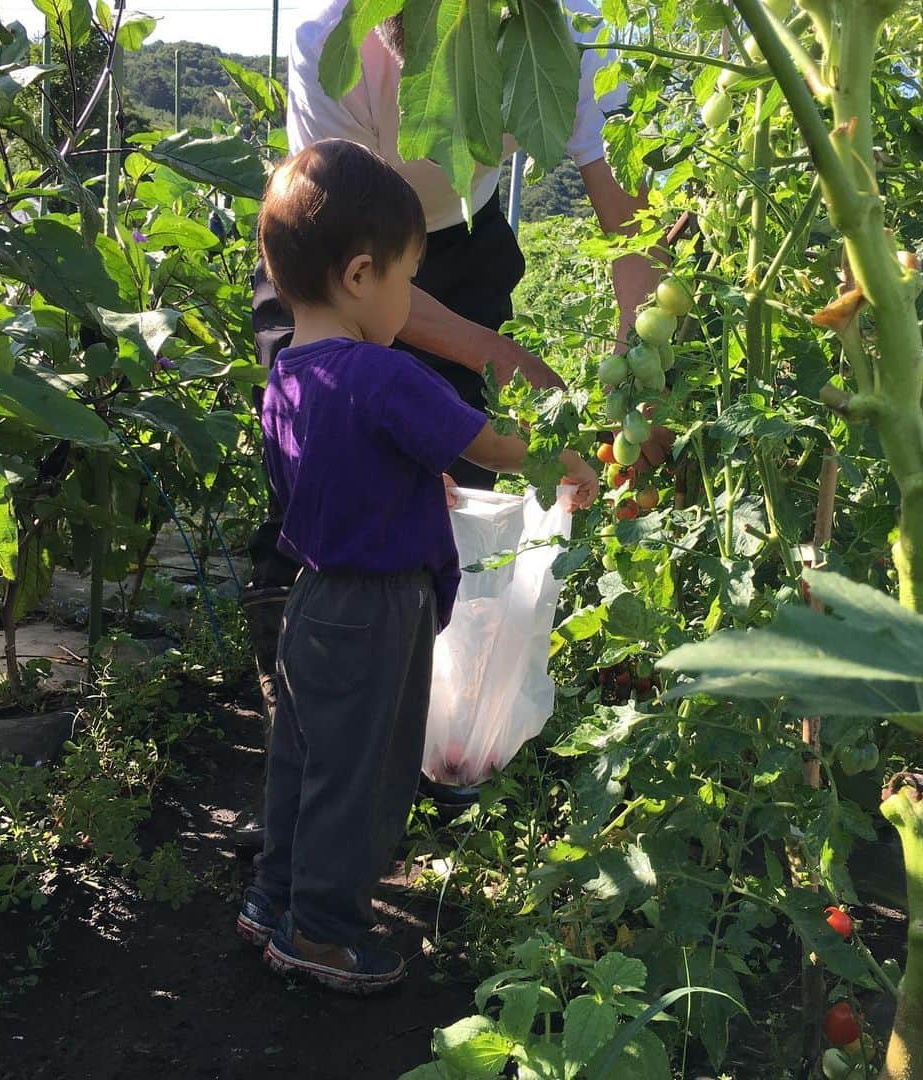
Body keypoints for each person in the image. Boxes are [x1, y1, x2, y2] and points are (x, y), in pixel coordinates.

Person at [234, 0, 669, 852]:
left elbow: (629, 221)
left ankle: (430, 753)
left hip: (457, 240)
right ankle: (322, 751)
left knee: (440, 511)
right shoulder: (330, 42)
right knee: (329, 471)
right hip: (339, 248)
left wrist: (638, 377)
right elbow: (346, 267)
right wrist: (510, 385)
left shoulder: (563, 29)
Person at [234, 139, 598, 992]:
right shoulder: (384, 374)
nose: (411, 301)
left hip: (312, 600)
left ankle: (271, 897)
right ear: (361, 275)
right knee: (365, 776)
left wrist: (407, 473)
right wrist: (560, 460)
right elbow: (487, 442)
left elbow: (316, 477)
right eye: (408, 280)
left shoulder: (286, 376)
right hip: (377, 609)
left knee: (304, 757)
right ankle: (320, 933)